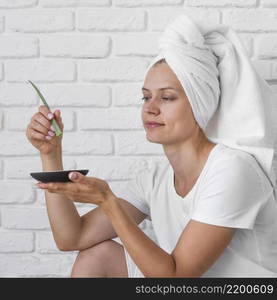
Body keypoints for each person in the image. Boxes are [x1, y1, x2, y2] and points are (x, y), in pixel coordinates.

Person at [26, 15, 277, 277]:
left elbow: (176, 277)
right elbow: (72, 238)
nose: (151, 108)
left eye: (167, 97)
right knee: (96, 255)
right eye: (146, 97)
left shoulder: (233, 170)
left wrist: (109, 202)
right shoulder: (155, 178)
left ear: (200, 105)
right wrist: (50, 154)